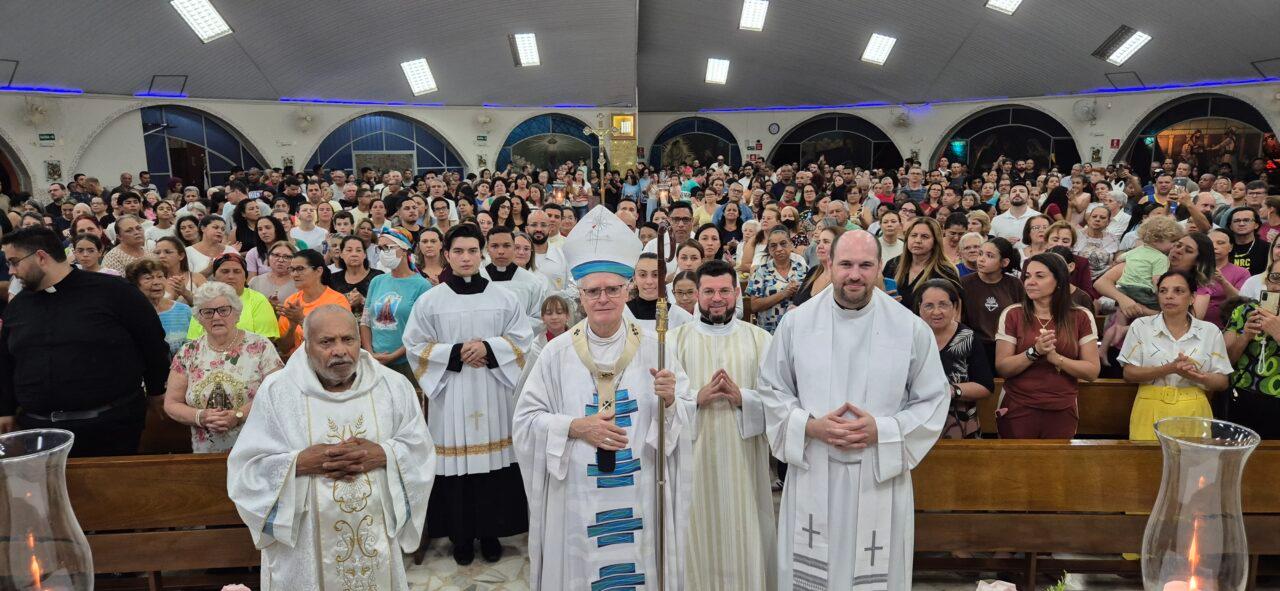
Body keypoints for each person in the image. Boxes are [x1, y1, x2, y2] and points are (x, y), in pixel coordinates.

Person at [513, 205, 692, 589]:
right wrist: (575, 427)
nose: (604, 298)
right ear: (580, 294)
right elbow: (526, 422)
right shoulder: (556, 352)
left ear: (627, 289)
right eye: (593, 291)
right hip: (579, 496)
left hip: (639, 489)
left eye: (613, 289)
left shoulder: (656, 348)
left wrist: (673, 401)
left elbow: (684, 418)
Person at [758, 229, 948, 591]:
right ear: (828, 264)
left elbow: (933, 399)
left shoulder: (909, 328)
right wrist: (810, 427)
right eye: (845, 264)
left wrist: (884, 430)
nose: (855, 275)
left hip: (878, 471)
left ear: (880, 268)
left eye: (865, 265)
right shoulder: (797, 323)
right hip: (815, 465)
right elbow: (772, 389)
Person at [227, 305, 435, 591]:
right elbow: (247, 469)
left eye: (347, 339)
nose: (339, 350)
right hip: (304, 547)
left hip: (375, 542)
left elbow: (420, 449)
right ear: (306, 344)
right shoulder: (278, 392)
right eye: (326, 342)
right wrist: (298, 463)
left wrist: (384, 454)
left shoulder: (392, 386)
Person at [401, 223, 535, 565]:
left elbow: (522, 340)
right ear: (447, 255)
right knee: (458, 467)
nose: (465, 257)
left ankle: (491, 534)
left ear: (482, 253)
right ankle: (461, 537)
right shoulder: (431, 300)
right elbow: (415, 345)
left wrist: (488, 348)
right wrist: (457, 351)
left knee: (493, 466)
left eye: (472, 251)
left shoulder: (504, 297)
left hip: (492, 392)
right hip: (452, 394)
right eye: (458, 251)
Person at [0, 226, 170, 456]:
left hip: (110, 427)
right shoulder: (18, 307)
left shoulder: (115, 292)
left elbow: (152, 343)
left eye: (14, 261)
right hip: (39, 430)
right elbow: (6, 361)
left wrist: (156, 389)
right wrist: (5, 409)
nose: (10, 271)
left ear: (41, 257)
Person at [671, 259, 776, 589]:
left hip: (744, 462)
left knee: (745, 531)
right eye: (709, 291)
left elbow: (778, 401)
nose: (717, 298)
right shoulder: (675, 341)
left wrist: (744, 397)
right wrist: (695, 398)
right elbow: (660, 405)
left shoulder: (760, 340)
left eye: (725, 291)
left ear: (737, 292)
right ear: (696, 295)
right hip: (693, 462)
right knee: (695, 534)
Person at [164, 281, 283, 452]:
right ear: (199, 317)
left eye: (223, 310)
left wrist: (238, 415)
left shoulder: (260, 346)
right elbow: (171, 403)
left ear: (236, 313)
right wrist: (200, 417)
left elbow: (278, 393)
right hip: (206, 452)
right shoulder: (188, 352)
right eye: (208, 312)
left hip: (256, 450)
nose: (216, 317)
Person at [994, 253, 1101, 438]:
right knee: (1016, 465)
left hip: (1062, 407)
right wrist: (1034, 352)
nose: (1030, 281)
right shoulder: (1013, 314)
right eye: (1027, 276)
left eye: (1040, 276)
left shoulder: (1081, 316)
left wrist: (1056, 359)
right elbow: (1003, 367)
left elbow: (1092, 371)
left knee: (1057, 466)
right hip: (1018, 405)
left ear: (1059, 280)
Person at [1119, 271, 1231, 440]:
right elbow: (1129, 373)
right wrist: (1169, 369)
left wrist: (1197, 375)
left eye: (1178, 291)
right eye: (1163, 291)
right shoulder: (1141, 326)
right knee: (1147, 464)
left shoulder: (1210, 331)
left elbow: (1222, 382)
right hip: (1149, 405)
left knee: (1193, 465)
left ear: (1192, 297)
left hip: (1194, 408)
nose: (1169, 296)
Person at [917, 279, 993, 439]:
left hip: (960, 423)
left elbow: (985, 386)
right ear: (919, 308)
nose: (936, 312)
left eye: (943, 305)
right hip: (916, 424)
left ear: (955, 307)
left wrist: (950, 391)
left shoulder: (968, 338)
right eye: (929, 305)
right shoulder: (910, 337)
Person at [360, 228, 431, 384]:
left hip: (407, 362)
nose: (384, 252)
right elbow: (365, 321)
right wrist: (370, 353)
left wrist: (394, 355)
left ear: (404, 250)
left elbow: (423, 331)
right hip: (375, 361)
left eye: (389, 248)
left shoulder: (422, 285)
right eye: (380, 248)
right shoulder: (377, 281)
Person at [1223, 260, 1280, 438]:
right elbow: (1227, 362)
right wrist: (1245, 336)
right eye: (1275, 277)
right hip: (1242, 395)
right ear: (1267, 280)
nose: (1278, 285)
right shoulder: (1244, 311)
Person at [187, 252, 281, 341]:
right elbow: (194, 340)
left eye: (237, 271)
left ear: (245, 277)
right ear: (214, 276)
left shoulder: (258, 300)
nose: (231, 276)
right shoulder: (204, 301)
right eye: (225, 271)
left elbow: (266, 340)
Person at [276, 249, 351, 357]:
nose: (294, 274)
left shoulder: (337, 301)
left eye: (300, 269)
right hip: (298, 364)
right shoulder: (291, 301)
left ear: (319, 271)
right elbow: (284, 348)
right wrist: (292, 326)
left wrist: (302, 320)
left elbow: (337, 340)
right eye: (292, 269)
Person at [882, 217, 961, 311]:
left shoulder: (945, 272)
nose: (917, 240)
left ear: (935, 241)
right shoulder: (893, 264)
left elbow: (956, 310)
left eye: (924, 236)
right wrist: (883, 299)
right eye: (914, 235)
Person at [481, 226, 550, 330]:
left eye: (506, 246)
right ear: (487, 249)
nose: (501, 251)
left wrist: (510, 331)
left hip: (519, 342)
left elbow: (539, 318)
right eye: (495, 246)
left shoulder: (532, 282)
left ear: (513, 248)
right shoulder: (478, 279)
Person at [746, 226, 808, 333]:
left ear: (791, 245)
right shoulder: (761, 271)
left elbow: (812, 298)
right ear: (769, 250)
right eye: (773, 246)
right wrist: (783, 294)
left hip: (798, 330)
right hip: (769, 332)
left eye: (783, 243)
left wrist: (798, 294)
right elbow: (754, 306)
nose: (779, 249)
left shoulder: (803, 269)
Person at [126, 258, 191, 358]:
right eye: (148, 278)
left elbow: (196, 344)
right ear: (135, 284)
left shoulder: (184, 310)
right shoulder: (130, 314)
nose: (157, 282)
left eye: (160, 276)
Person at [627, 253, 695, 333]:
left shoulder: (682, 319)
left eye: (655, 275)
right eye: (642, 275)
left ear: (664, 277)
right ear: (634, 278)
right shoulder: (622, 314)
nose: (649, 281)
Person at [327, 235, 382, 317]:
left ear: (364, 254)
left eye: (358, 250)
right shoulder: (332, 279)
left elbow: (384, 307)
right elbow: (328, 309)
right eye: (349, 250)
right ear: (341, 254)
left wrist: (363, 301)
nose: (354, 254)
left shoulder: (378, 277)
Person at [247, 240, 298, 306]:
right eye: (276, 255)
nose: (280, 260)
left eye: (286, 257)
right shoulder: (255, 281)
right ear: (268, 257)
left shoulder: (299, 284)